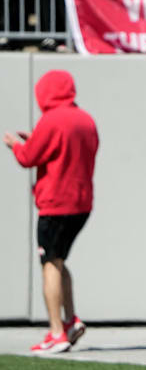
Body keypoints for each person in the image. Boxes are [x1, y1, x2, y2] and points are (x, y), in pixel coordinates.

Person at [3, 70, 98, 353]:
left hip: (56, 203)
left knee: (49, 264)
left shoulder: (52, 119)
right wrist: (37, 140)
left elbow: (27, 158)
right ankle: (70, 321)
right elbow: (68, 150)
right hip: (81, 204)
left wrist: (16, 145)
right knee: (58, 260)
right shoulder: (85, 119)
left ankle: (57, 331)